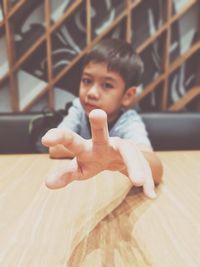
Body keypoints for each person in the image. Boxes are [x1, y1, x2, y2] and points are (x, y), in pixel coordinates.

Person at [41, 38, 163, 199]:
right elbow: (55, 147)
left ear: (127, 95)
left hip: (108, 192)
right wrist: (90, 149)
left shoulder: (128, 121)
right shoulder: (78, 108)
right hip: (75, 192)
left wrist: (116, 157)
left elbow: (156, 169)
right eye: (87, 81)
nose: (92, 92)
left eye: (107, 85)